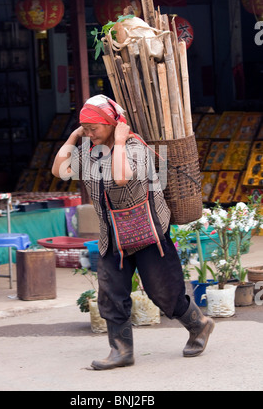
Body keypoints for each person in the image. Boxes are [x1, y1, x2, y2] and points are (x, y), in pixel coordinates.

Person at [52, 94, 214, 370]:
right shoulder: (90, 151)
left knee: (165, 293)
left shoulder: (135, 148)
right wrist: (74, 137)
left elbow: (121, 176)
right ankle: (121, 351)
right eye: (85, 128)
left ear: (112, 124)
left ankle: (199, 324)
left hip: (147, 235)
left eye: (94, 127)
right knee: (110, 293)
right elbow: (59, 170)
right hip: (112, 237)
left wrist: (117, 141)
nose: (89, 133)